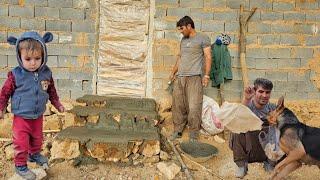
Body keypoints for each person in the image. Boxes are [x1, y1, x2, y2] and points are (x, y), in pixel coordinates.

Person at [0, 31, 65, 179]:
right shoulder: (16, 75)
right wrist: (1, 107)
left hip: (38, 116)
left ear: (43, 56)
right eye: (28, 59)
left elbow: (51, 91)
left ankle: (34, 154)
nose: (33, 63)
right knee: (21, 142)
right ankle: (20, 166)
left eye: (37, 58)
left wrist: (57, 104)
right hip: (21, 118)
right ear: (19, 57)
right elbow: (4, 92)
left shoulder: (46, 73)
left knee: (37, 138)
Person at [169, 16, 212, 142]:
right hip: (180, 77)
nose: (180, 31)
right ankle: (177, 130)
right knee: (178, 105)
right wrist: (173, 72)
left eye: (182, 29)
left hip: (194, 77)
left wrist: (206, 75)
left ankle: (193, 134)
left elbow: (208, 57)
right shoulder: (183, 40)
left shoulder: (203, 38)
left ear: (189, 26)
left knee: (194, 106)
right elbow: (180, 58)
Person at [229, 78, 277, 178]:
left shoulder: (273, 108)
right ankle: (242, 166)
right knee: (236, 128)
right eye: (261, 91)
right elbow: (237, 118)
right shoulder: (247, 105)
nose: (264, 95)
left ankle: (270, 163)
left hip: (266, 151)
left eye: (267, 92)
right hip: (249, 149)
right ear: (255, 91)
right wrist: (246, 99)